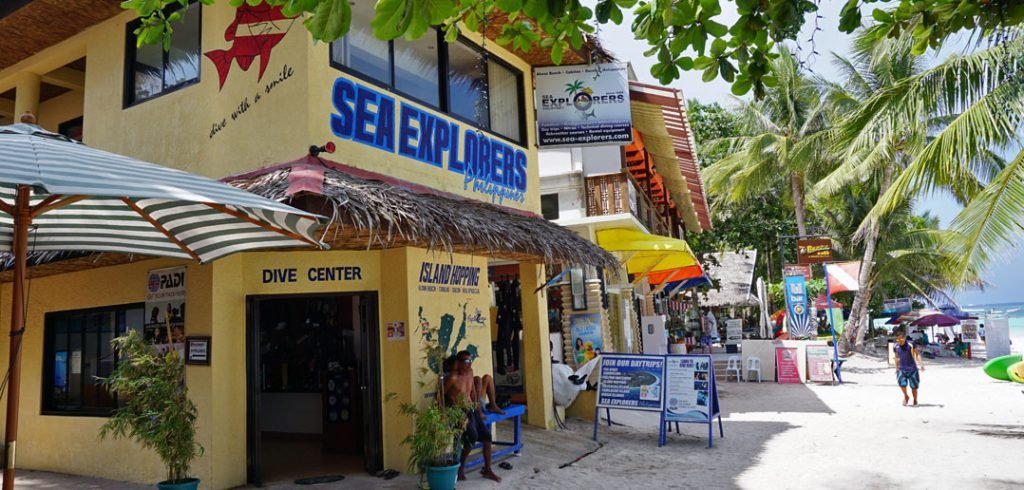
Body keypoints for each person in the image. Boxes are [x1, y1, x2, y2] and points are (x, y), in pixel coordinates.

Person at [444, 350, 501, 483]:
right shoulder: (452, 378)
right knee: (472, 437)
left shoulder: (470, 372)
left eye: (470, 361)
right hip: (459, 412)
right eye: (466, 361)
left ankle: (488, 470)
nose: (469, 364)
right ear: (458, 362)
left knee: (487, 437)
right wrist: (447, 414)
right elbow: (441, 396)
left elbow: (473, 393)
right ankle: (460, 468)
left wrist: (479, 410)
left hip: (472, 409)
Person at [893, 332, 924, 406]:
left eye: (901, 338)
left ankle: (915, 399)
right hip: (901, 369)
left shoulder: (911, 344)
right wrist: (896, 368)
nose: (900, 340)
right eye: (898, 339)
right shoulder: (895, 346)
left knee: (914, 387)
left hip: (912, 369)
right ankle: (906, 396)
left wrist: (921, 364)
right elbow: (896, 357)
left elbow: (917, 354)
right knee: (902, 384)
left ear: (904, 338)